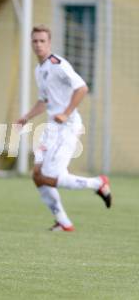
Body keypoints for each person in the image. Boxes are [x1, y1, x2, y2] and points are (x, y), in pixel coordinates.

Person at [16, 25, 112, 232]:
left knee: (52, 174)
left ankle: (98, 183)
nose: (39, 44)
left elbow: (82, 87)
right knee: (37, 175)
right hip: (52, 128)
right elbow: (44, 100)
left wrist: (66, 113)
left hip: (67, 127)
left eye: (42, 41)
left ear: (49, 43)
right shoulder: (39, 69)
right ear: (31, 44)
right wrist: (26, 117)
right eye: (35, 41)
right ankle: (63, 221)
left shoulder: (58, 64)